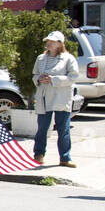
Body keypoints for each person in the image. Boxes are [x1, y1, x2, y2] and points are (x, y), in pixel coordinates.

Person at [31, 29, 79, 168]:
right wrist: (39, 79)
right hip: (44, 97)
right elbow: (35, 74)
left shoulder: (68, 58)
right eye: (48, 42)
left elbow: (73, 77)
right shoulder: (41, 58)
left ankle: (65, 157)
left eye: (52, 42)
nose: (49, 44)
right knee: (42, 128)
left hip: (60, 98)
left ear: (60, 44)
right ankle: (38, 154)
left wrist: (54, 80)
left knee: (63, 128)